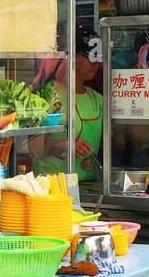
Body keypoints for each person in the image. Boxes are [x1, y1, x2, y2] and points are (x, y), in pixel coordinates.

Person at [42, 25, 105, 183]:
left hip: (89, 184)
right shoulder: (48, 96)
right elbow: (32, 146)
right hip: (53, 183)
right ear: (72, 57)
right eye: (90, 58)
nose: (95, 64)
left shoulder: (97, 100)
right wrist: (62, 145)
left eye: (98, 59)